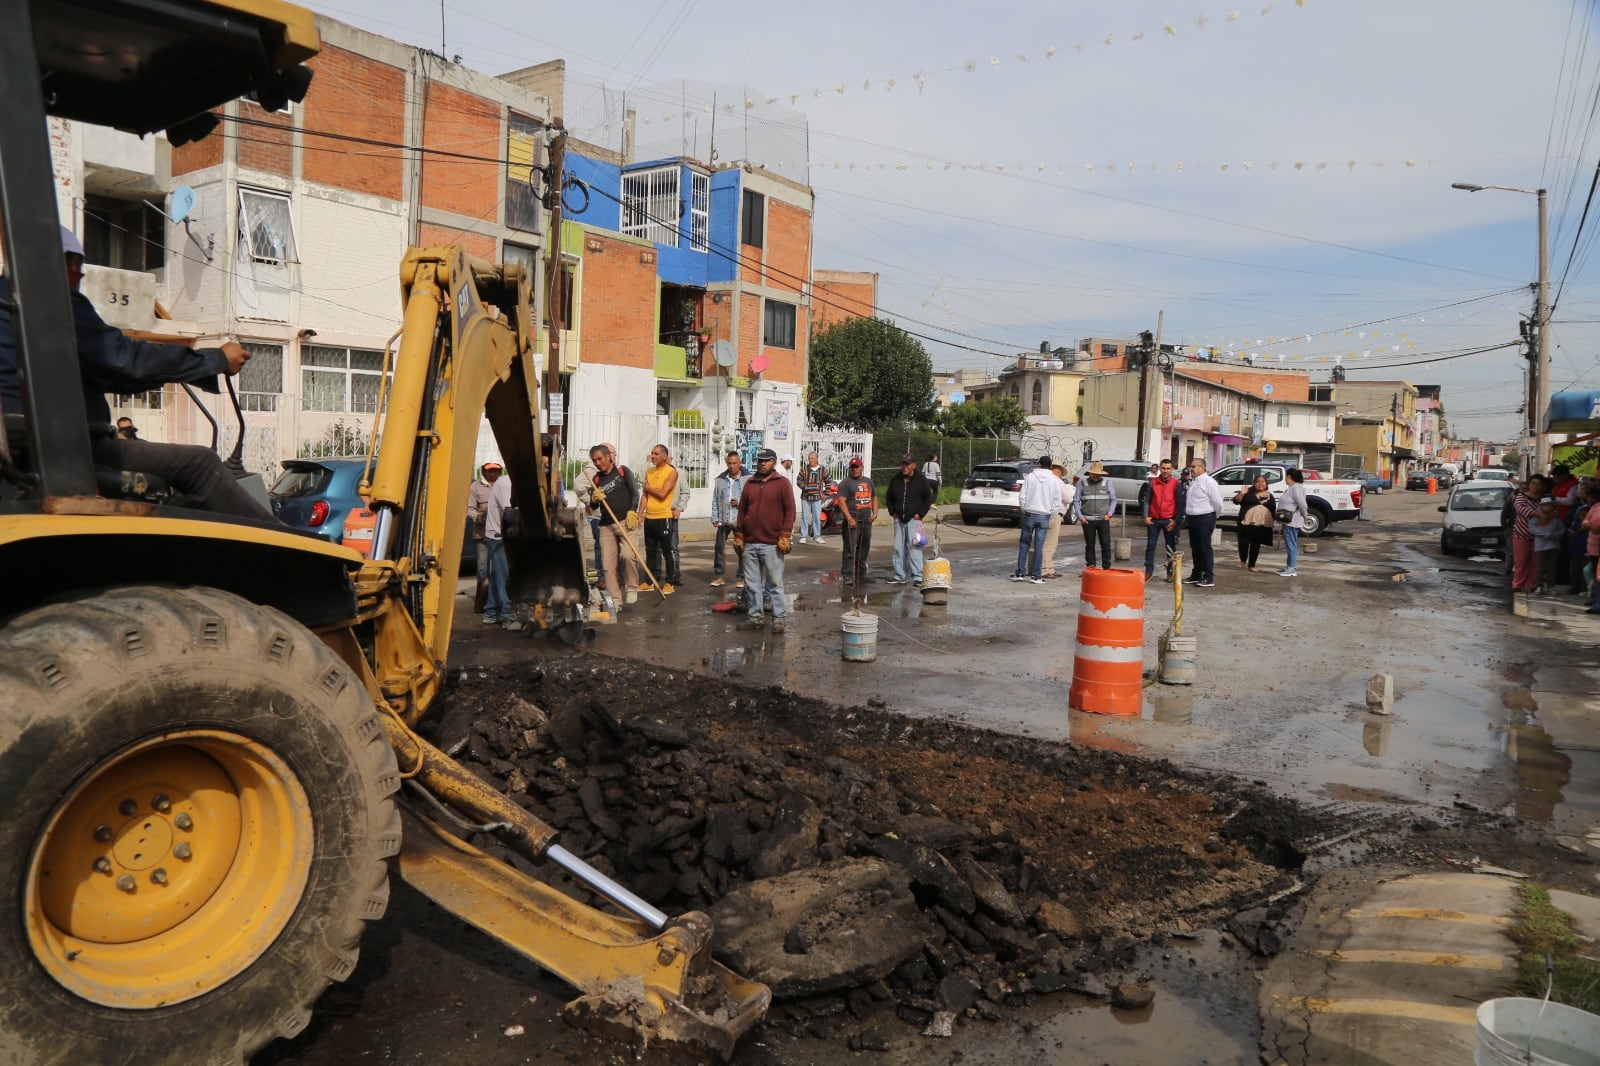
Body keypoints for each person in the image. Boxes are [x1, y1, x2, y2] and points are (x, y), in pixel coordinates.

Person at [0, 226, 271, 520]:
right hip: (68, 450)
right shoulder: (48, 301)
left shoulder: (13, 306)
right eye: (77, 265)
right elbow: (123, 359)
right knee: (199, 463)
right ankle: (293, 551)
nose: (80, 276)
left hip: (28, 447)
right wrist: (216, 359)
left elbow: (115, 374)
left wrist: (193, 370)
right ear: (55, 261)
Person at [735, 448, 795, 633]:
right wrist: (739, 534)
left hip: (772, 543)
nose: (762, 463)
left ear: (774, 462)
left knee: (775, 584)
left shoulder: (782, 483)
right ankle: (755, 618)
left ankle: (779, 619)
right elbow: (743, 510)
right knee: (752, 584)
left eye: (766, 460)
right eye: (760, 461)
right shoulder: (750, 483)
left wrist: (785, 533)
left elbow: (790, 510)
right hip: (750, 542)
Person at [588, 443, 640, 605]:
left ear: (609, 457)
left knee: (628, 555)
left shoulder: (622, 471)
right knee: (608, 565)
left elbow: (635, 493)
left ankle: (631, 587)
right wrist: (594, 498)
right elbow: (594, 506)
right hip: (606, 525)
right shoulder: (596, 479)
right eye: (594, 460)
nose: (598, 463)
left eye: (600, 458)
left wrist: (633, 511)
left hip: (626, 521)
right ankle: (615, 600)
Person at [886, 454, 934, 585]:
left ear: (914, 465)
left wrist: (920, 514)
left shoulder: (921, 480)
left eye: (907, 464)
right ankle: (899, 575)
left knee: (914, 548)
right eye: (903, 464)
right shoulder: (896, 479)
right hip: (899, 519)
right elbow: (889, 496)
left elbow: (928, 499)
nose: (905, 466)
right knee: (898, 548)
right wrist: (892, 512)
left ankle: (918, 576)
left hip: (914, 520)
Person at [1014, 455, 1063, 584]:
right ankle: (1036, 576)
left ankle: (1020, 573)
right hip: (1044, 515)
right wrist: (1050, 514)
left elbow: (1022, 496)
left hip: (1030, 513)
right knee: (1039, 546)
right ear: (1051, 466)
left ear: (1039, 464)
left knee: (1024, 544)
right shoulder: (1054, 480)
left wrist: (1025, 509)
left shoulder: (1030, 477)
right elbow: (1057, 502)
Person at [834, 455, 877, 588]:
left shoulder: (868, 482)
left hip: (866, 520)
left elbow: (874, 497)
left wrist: (875, 513)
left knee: (864, 548)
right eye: (852, 467)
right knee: (850, 549)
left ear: (862, 467)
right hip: (853, 521)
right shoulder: (846, 483)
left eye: (857, 467)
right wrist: (849, 518)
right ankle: (847, 574)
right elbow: (841, 502)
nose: (855, 469)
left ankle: (861, 573)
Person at [641, 443, 681, 590]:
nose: (653, 456)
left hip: (663, 517)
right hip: (649, 518)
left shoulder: (671, 472)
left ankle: (670, 582)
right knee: (650, 551)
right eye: (652, 453)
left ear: (665, 456)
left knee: (667, 551)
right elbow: (645, 496)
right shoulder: (649, 472)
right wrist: (640, 515)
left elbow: (663, 493)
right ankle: (649, 581)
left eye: (656, 454)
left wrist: (649, 488)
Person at [465, 460, 503, 613]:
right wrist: (479, 517)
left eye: (495, 470)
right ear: (484, 471)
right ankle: (482, 603)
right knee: (483, 570)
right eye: (490, 470)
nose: (493, 473)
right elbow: (469, 509)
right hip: (482, 535)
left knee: (498, 570)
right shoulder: (475, 488)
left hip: (500, 535)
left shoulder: (503, 486)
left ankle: (496, 602)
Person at [709, 450, 747, 588]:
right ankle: (719, 576)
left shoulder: (747, 479)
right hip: (723, 519)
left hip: (740, 519)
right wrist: (714, 516)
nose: (732, 466)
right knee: (719, 548)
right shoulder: (720, 479)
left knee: (741, 548)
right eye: (729, 463)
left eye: (735, 463)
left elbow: (753, 499)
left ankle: (741, 577)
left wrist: (740, 502)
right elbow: (715, 498)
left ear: (740, 463)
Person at [1141, 459, 1184, 581]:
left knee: (1170, 547)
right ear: (1160, 468)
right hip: (1153, 520)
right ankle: (1149, 571)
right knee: (1150, 546)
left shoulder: (1176, 483)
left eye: (1168, 468)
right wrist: (1145, 516)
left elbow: (1180, 504)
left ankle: (1170, 572)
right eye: (1163, 468)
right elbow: (1147, 501)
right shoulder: (1152, 482)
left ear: (1172, 469)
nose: (1165, 471)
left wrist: (1175, 520)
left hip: (1169, 520)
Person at [1183, 458, 1223, 588]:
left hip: (1204, 518)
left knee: (1204, 547)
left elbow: (1217, 502)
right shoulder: (1194, 482)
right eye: (1191, 466)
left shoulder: (1209, 482)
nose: (1191, 468)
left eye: (1194, 466)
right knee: (1195, 548)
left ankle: (1208, 576)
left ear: (1202, 467)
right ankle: (1196, 574)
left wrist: (1213, 517)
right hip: (1193, 518)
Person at [482, 468, 513, 625]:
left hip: (503, 534)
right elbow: (511, 512)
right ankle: (507, 615)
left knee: (496, 575)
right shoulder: (506, 484)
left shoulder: (507, 483)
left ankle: (491, 611)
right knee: (504, 575)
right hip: (499, 536)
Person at [1072, 461, 1118, 570]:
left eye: (1098, 474)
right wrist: (1080, 517)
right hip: (1087, 520)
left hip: (1103, 519)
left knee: (1106, 544)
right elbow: (1076, 501)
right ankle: (1091, 567)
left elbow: (1113, 500)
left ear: (1101, 474)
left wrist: (1109, 514)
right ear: (1090, 473)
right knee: (1090, 544)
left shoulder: (1107, 483)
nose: (1096, 476)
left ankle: (1106, 568)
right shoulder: (1082, 483)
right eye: (1093, 473)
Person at [1509, 475, 1549, 593]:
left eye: (1539, 484)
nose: (1536, 486)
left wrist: (1546, 516)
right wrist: (1538, 514)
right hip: (1521, 534)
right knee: (1520, 561)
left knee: (1536, 562)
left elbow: (1552, 510)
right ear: (1529, 485)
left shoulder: (1544, 499)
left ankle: (1532, 584)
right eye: (1534, 483)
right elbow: (1520, 509)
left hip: (1539, 536)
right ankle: (1517, 584)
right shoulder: (1521, 497)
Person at [1231, 474, 1276, 573]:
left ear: (1266, 484)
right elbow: (1236, 501)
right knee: (1243, 543)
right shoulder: (1247, 493)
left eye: (1262, 482)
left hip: (1261, 525)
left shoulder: (1270, 496)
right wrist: (1241, 494)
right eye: (1257, 482)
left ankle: (1252, 565)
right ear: (1254, 484)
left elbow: (1273, 510)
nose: (1260, 484)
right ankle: (1243, 560)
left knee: (1256, 544)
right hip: (1246, 523)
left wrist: (1273, 523)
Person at [1040, 463, 1075, 579]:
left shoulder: (1044, 480)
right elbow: (1068, 498)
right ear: (1059, 472)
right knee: (1050, 543)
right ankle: (1045, 569)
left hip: (1041, 512)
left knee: (1043, 542)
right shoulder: (1058, 482)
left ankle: (1049, 568)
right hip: (1055, 514)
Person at [1277, 467, 1309, 577]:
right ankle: (1290, 566)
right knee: (1291, 543)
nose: (1285, 479)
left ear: (1289, 476)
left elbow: (1302, 503)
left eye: (1286, 476)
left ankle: (1292, 568)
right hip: (1289, 521)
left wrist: (1305, 515)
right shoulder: (1292, 488)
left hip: (1292, 521)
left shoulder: (1296, 488)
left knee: (1291, 544)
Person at [1530, 497, 1565, 595]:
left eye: (1550, 505)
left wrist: (1556, 535)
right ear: (1541, 506)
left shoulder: (1555, 517)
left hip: (1553, 545)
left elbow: (1562, 529)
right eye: (1545, 505)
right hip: (1541, 545)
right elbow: (1532, 528)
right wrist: (1545, 534)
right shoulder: (1536, 516)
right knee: (1540, 567)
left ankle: (1551, 586)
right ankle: (1539, 586)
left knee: (1552, 568)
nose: (1548, 507)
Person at [797, 452, 832, 544]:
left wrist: (826, 494)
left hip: (817, 498)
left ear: (817, 459)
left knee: (817, 517)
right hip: (805, 497)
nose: (810, 460)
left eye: (812, 458)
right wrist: (805, 487)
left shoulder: (823, 469)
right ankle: (803, 536)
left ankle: (817, 536)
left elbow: (828, 481)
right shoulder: (804, 469)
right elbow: (799, 480)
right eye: (809, 459)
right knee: (805, 517)